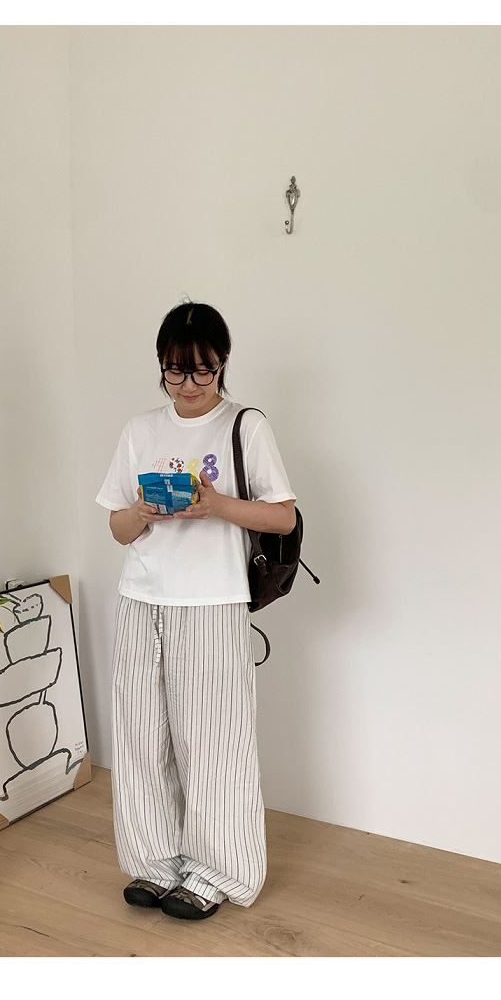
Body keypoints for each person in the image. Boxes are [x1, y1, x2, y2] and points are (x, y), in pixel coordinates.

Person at [95, 296, 296, 923]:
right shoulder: (139, 430)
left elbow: (283, 516)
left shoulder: (246, 427)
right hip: (141, 599)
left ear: (222, 363)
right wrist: (144, 512)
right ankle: (155, 862)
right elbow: (117, 528)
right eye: (175, 370)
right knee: (140, 736)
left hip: (212, 601)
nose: (188, 384)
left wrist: (216, 505)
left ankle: (217, 869)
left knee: (214, 741)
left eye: (202, 370)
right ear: (161, 365)